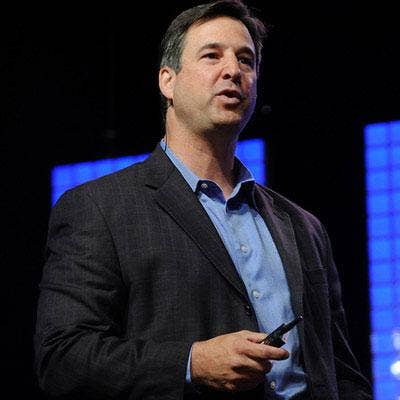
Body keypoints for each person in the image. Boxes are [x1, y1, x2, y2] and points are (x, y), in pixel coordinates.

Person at [34, 1, 372, 399]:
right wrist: (191, 363)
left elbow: (341, 372)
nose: (233, 71)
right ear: (168, 81)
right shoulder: (99, 208)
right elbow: (63, 359)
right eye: (212, 55)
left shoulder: (303, 226)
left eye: (246, 60)